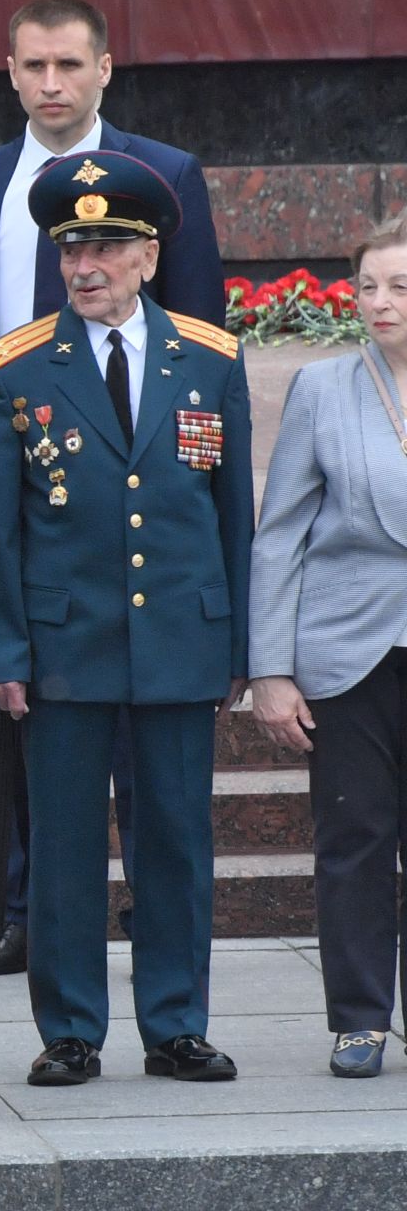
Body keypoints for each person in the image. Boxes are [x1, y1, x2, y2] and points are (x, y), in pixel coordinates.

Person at [0, 0, 227, 976]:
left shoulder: (164, 178)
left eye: (68, 66)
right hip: (1, 490)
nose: (51, 83)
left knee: (137, 746)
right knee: (14, 709)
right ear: (9, 71)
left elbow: (202, 338)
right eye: (34, 66)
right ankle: (23, 914)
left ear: (104, 69)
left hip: (131, 502)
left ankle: (144, 920)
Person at [0, 149, 252, 1087]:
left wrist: (241, 644)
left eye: (107, 248)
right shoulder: (14, 370)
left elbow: (230, 517)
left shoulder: (208, 361)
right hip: (64, 645)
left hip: (179, 638)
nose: (85, 266)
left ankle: (175, 1024)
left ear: (149, 258)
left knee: (174, 840)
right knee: (67, 850)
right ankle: (72, 1029)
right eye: (72, 248)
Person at [250, 211, 407, 1078]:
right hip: (348, 653)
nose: (379, 303)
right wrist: (271, 669)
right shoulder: (323, 388)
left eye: (399, 287)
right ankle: (358, 1018)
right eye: (367, 286)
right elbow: (280, 537)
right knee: (353, 839)